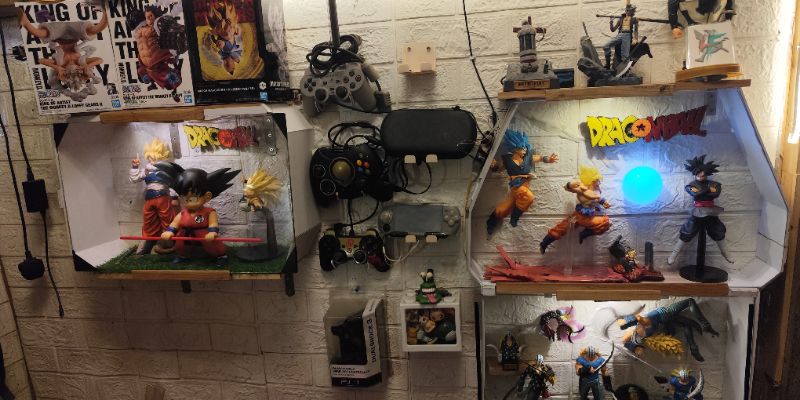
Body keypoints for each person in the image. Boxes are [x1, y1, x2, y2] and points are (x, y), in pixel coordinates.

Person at [156, 162, 240, 265]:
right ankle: (183, 256)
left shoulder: (209, 212)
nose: (188, 202)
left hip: (204, 235)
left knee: (213, 246)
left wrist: (212, 232)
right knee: (181, 245)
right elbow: (175, 223)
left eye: (193, 199)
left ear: (207, 196)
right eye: (184, 199)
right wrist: (170, 231)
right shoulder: (183, 213)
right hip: (185, 235)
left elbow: (213, 224)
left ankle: (221, 256)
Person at [487, 129, 558, 235]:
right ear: (516, 149)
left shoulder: (528, 158)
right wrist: (493, 165)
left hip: (522, 188)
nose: (525, 150)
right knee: (527, 197)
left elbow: (539, 157)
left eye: (525, 148)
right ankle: (498, 220)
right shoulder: (507, 160)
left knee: (505, 208)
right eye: (522, 148)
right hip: (516, 188)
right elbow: (499, 168)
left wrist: (549, 159)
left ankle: (509, 216)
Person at [667, 155, 733, 265]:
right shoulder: (692, 185)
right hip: (698, 211)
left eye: (703, 174)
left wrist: (702, 191)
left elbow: (716, 194)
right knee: (687, 231)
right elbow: (695, 194)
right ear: (695, 174)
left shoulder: (714, 184)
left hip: (710, 211)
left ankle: (725, 253)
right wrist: (708, 190)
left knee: (718, 231)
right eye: (698, 174)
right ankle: (674, 254)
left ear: (707, 173)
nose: (701, 176)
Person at [540, 166, 611, 253]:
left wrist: (604, 203)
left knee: (607, 223)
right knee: (562, 227)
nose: (599, 181)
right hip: (579, 215)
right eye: (597, 179)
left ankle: (585, 233)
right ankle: (544, 243)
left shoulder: (597, 190)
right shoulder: (582, 188)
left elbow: (599, 199)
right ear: (591, 180)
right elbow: (567, 188)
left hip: (589, 217)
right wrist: (570, 184)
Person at [129, 139, 178, 255]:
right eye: (150, 158)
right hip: (150, 199)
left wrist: (174, 198)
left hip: (163, 198)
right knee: (149, 222)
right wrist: (135, 167)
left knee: (168, 221)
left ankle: (171, 245)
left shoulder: (166, 170)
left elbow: (172, 184)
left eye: (155, 158)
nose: (152, 160)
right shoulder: (147, 170)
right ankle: (147, 245)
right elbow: (135, 178)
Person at [603, 4, 639, 69]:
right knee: (606, 46)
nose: (628, 11)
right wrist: (611, 21)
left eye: (630, 10)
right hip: (620, 35)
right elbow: (613, 29)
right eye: (627, 10)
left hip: (627, 36)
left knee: (625, 56)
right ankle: (608, 65)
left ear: (632, 11)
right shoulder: (621, 19)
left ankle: (626, 70)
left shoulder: (634, 19)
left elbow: (636, 30)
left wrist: (635, 38)